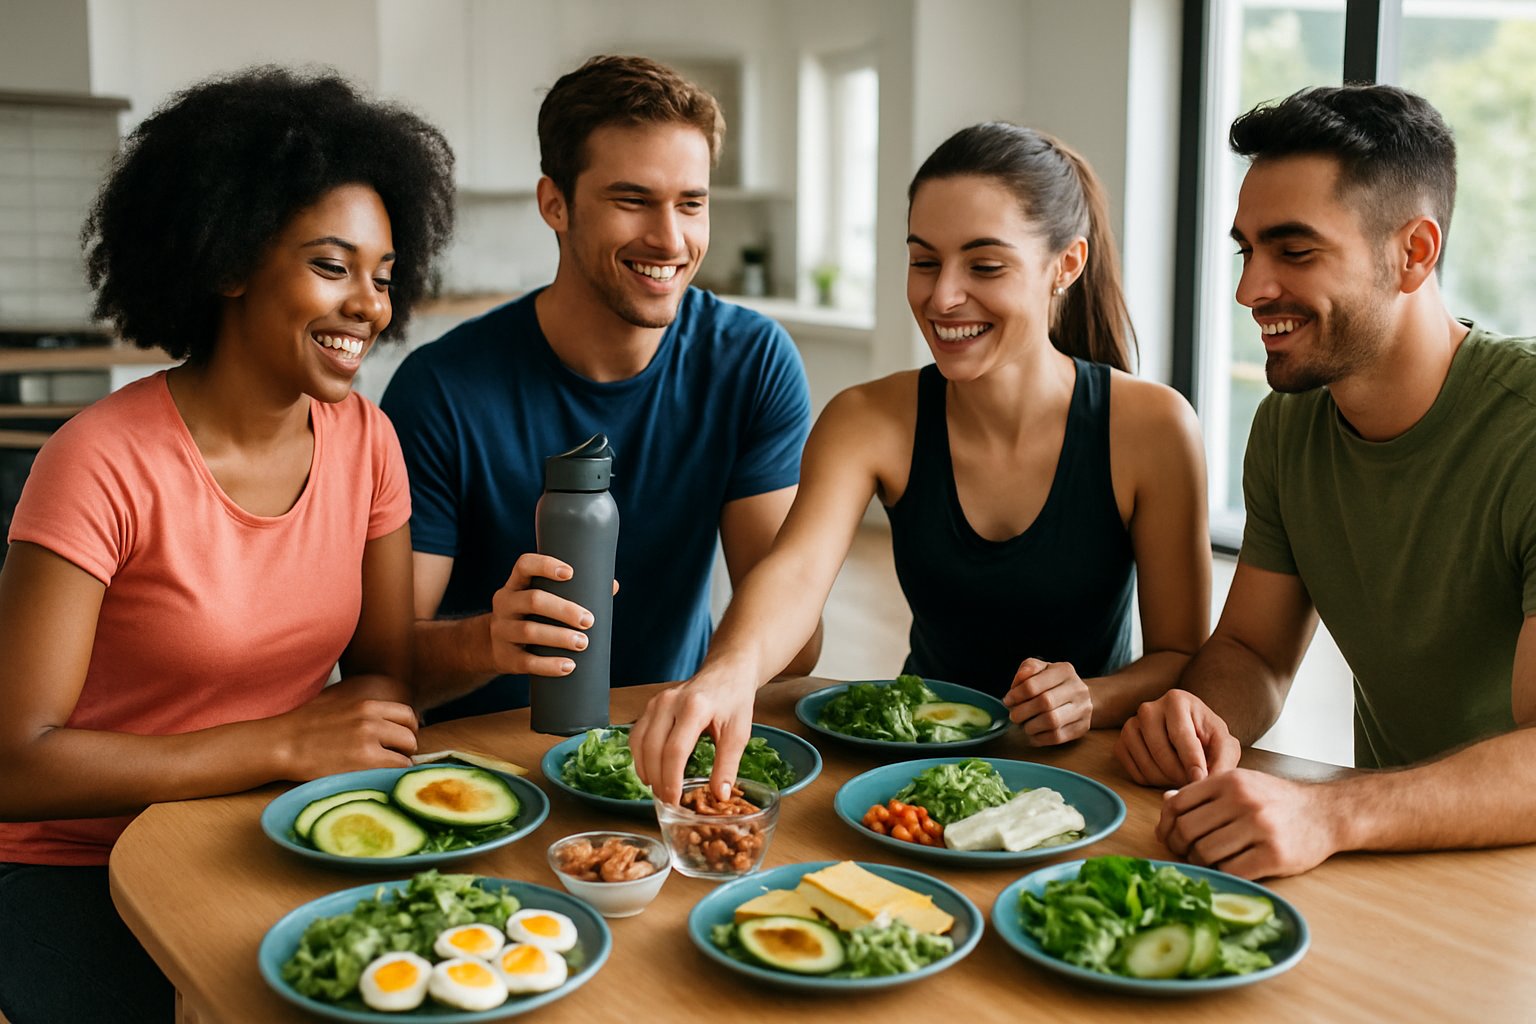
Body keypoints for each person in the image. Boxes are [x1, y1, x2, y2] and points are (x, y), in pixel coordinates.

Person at [0, 67, 455, 1022]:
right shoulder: (98, 461)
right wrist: (285, 740)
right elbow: (15, 762)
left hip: (266, 834)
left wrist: (344, 731)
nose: (370, 306)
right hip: (79, 866)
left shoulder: (367, 439)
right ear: (230, 261)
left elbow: (381, 673)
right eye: (331, 267)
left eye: (382, 275)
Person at [632, 122, 1210, 804]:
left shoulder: (1155, 428)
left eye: (985, 266)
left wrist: (1093, 697)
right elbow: (795, 572)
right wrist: (729, 670)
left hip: (1083, 782)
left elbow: (1182, 657)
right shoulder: (867, 418)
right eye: (924, 261)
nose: (942, 298)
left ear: (1067, 265)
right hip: (913, 776)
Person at [1116, 84, 1536, 880]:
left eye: (1294, 251)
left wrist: (1332, 809)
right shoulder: (1290, 422)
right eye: (1247, 251)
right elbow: (1253, 651)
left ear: (1414, 253)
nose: (1249, 290)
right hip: (1394, 855)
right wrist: (1200, 719)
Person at [381, 55, 819, 722]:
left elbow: (795, 638)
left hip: (664, 737)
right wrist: (484, 642)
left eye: (691, 203)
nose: (670, 239)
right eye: (633, 199)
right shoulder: (441, 390)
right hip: (484, 756)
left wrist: (724, 676)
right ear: (555, 203)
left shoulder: (751, 361)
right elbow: (381, 668)